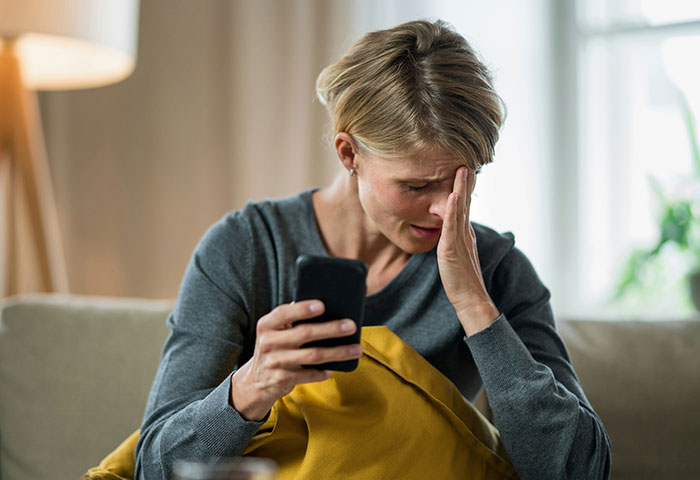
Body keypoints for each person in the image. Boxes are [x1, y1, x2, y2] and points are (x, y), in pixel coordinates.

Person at [135, 19, 611, 480]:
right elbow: (154, 467)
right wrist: (252, 385)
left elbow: (577, 471)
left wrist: (474, 304)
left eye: (465, 181)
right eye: (417, 184)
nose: (445, 210)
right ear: (349, 154)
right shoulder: (246, 249)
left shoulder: (494, 269)